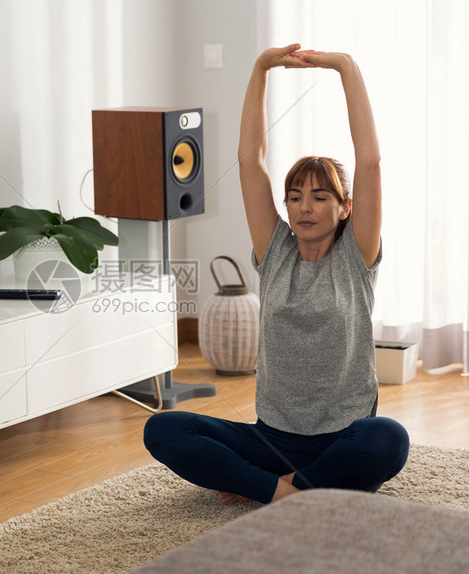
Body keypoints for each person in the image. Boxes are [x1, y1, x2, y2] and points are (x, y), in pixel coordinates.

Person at [143, 44, 409, 505]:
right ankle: (299, 492)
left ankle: (268, 489)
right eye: (295, 196)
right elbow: (250, 160)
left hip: (343, 436)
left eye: (321, 196)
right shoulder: (276, 250)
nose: (305, 206)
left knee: (388, 439)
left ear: (346, 207)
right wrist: (260, 68)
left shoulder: (356, 255)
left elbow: (370, 163)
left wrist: (345, 67)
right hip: (272, 439)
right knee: (163, 427)